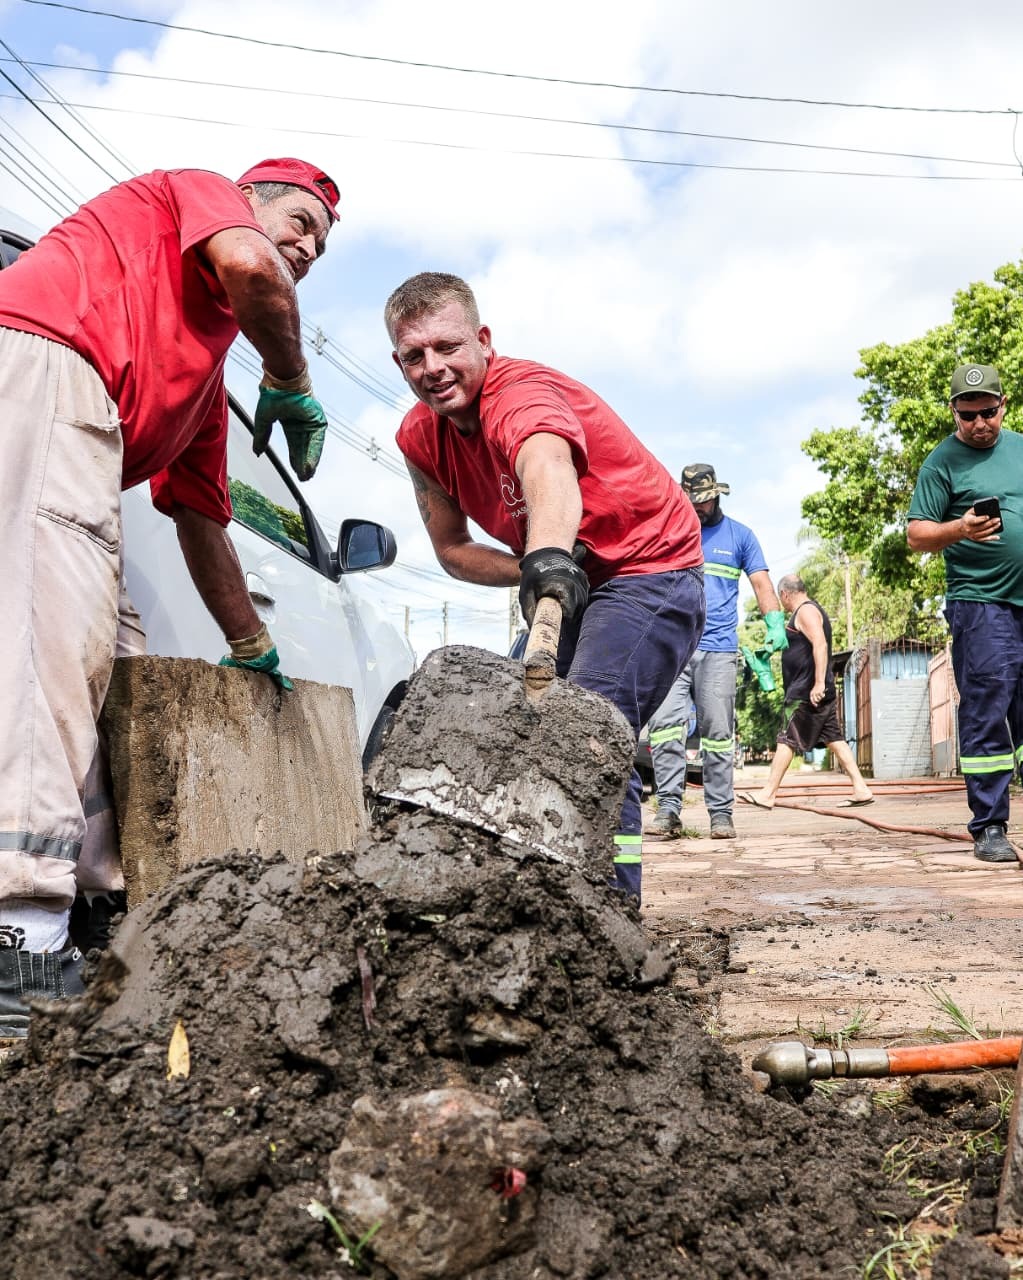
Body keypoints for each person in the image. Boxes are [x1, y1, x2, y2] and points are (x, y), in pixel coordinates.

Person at [0, 157, 340, 1035]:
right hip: (41, 365)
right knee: (47, 649)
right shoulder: (194, 192)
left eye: (322, 242)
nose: (306, 244)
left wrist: (248, 644)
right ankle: (19, 934)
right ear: (248, 199)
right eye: (299, 219)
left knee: (115, 668)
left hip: (84, 435)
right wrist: (292, 378)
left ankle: (91, 908)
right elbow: (254, 267)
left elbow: (200, 520)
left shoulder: (201, 371)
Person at [384, 272, 706, 902]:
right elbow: (452, 550)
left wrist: (551, 555)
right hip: (573, 577)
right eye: (414, 356)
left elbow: (545, 463)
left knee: (585, 736)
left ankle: (609, 916)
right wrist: (535, 568)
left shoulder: (520, 394)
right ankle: (528, 897)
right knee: (515, 730)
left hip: (649, 567)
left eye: (448, 347)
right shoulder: (419, 437)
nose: (434, 368)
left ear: (482, 340)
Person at [907, 363, 1022, 864]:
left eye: (989, 413)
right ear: (954, 411)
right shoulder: (941, 462)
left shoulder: (1020, 447)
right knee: (987, 706)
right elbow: (916, 535)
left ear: (1004, 405)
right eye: (968, 414)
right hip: (981, 605)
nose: (980, 423)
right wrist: (960, 529)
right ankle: (990, 826)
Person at [647, 464, 787, 840]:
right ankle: (669, 811)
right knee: (664, 729)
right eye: (692, 501)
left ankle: (721, 814)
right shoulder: (670, 533)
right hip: (673, 648)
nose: (699, 508)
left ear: (717, 495)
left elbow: (761, 583)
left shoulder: (740, 536)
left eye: (705, 501)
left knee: (718, 734)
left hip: (719, 650)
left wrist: (775, 622)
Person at [745, 575, 874, 810]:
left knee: (787, 738)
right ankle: (861, 787)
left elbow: (820, 644)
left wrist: (817, 683)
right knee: (834, 737)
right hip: (816, 689)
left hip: (806, 692)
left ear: (784, 594)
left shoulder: (805, 611)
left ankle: (768, 793)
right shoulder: (809, 611)